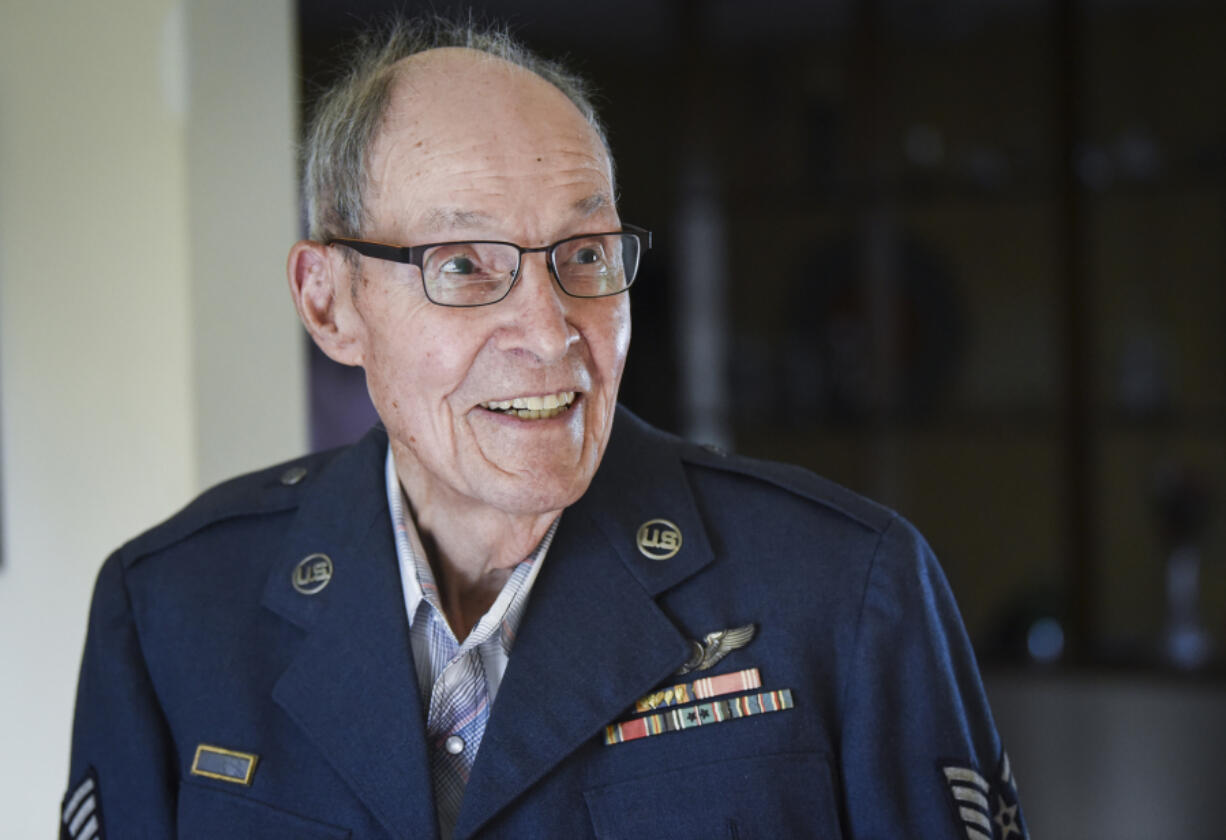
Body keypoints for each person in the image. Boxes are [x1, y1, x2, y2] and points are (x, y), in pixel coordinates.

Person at [63, 16, 1027, 840]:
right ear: (329, 304)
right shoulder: (173, 612)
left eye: (585, 253)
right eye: (464, 263)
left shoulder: (846, 590)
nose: (548, 329)